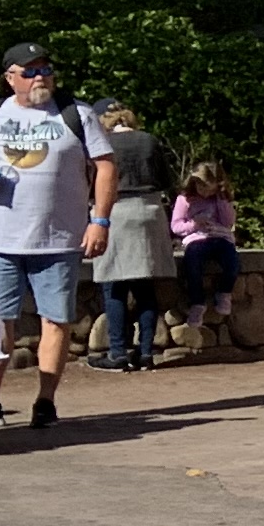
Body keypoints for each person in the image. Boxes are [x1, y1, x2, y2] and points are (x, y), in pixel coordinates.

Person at [0, 43, 115, 435]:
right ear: (10, 78)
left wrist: (100, 221)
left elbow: (106, 167)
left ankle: (45, 401)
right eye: (29, 71)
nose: (40, 76)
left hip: (59, 240)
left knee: (55, 321)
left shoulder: (76, 114)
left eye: (45, 68)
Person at [91, 105, 176, 372]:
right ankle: (147, 353)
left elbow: (92, 180)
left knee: (114, 285)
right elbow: (166, 179)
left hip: (115, 212)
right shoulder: (149, 140)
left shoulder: (102, 143)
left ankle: (117, 353)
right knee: (144, 286)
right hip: (149, 211)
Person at [170, 160, 241, 341]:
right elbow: (176, 226)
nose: (205, 192)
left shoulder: (219, 198)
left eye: (210, 189)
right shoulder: (184, 199)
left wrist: (222, 199)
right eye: (202, 187)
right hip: (196, 238)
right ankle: (197, 302)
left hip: (220, 237)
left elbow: (227, 222)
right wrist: (194, 224)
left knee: (232, 261)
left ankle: (224, 292)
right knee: (192, 264)